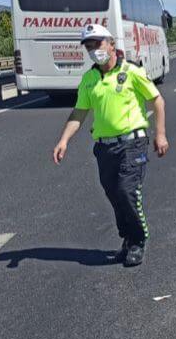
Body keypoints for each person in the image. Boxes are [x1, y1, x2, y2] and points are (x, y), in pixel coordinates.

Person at [52, 23, 169, 267]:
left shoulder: (132, 72)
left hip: (132, 144)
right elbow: (79, 113)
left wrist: (161, 134)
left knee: (127, 191)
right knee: (114, 195)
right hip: (105, 148)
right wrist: (64, 140)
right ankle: (127, 238)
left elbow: (157, 101)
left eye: (98, 43)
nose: (94, 50)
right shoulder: (89, 79)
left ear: (112, 44)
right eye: (89, 46)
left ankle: (138, 240)